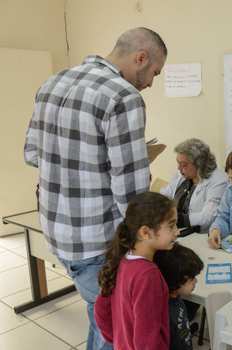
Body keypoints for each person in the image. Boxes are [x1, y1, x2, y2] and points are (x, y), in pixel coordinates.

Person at [23, 27, 167, 350]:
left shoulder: (51, 83)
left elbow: (31, 154)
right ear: (141, 58)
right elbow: (131, 195)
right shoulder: (125, 97)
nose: (150, 83)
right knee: (114, 328)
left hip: (57, 233)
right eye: (154, 72)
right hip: (97, 243)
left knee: (98, 313)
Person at [94, 192, 178, 350]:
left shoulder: (122, 259)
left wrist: (120, 339)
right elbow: (147, 342)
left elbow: (101, 311)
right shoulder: (148, 276)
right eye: (171, 225)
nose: (177, 231)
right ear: (145, 232)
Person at [160, 138, 228, 234]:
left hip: (199, 235)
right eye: (178, 163)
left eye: (184, 164)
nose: (179, 168)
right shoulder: (182, 174)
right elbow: (165, 195)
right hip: (174, 230)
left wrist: (176, 219)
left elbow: (208, 217)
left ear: (199, 164)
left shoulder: (218, 181)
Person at [154, 243, 204, 350]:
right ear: (177, 280)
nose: (195, 281)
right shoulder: (165, 312)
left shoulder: (177, 297)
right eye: (191, 279)